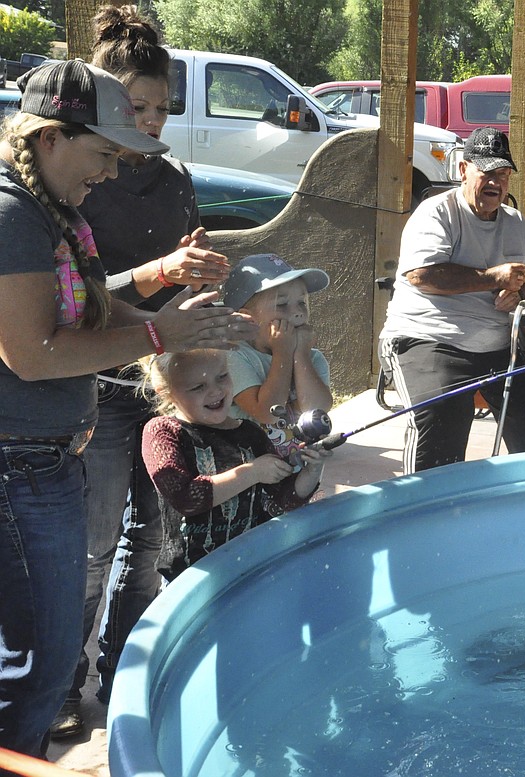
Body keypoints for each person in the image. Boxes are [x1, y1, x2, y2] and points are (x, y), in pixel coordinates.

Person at [0, 58, 253, 760]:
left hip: (39, 459)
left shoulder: (47, 210)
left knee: (39, 663)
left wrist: (162, 291)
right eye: (105, 151)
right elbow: (33, 351)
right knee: (36, 666)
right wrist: (157, 332)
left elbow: (78, 300)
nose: (111, 171)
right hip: (16, 469)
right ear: (51, 137)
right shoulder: (13, 215)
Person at [51, 5, 235, 739]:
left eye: (162, 108)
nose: (152, 122)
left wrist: (202, 280)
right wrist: (159, 274)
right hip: (100, 385)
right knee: (93, 543)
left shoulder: (173, 177)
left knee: (150, 537)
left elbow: (176, 277)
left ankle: (124, 667)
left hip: (165, 384)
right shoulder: (83, 184)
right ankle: (64, 680)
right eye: (137, 108)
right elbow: (83, 304)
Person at [378, 127, 525, 472]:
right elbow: (422, 275)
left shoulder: (517, 224)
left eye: (503, 174)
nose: (495, 182)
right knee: (441, 414)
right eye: (487, 173)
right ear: (463, 170)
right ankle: (422, 512)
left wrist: (520, 292)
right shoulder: (436, 213)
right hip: (429, 339)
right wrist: (494, 278)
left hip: (499, 346)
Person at [140, 349, 329, 581]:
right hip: (190, 576)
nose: (215, 391)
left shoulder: (250, 433)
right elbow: (186, 498)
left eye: (222, 377)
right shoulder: (163, 431)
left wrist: (311, 469)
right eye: (198, 387)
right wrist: (252, 472)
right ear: (166, 393)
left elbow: (283, 501)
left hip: (249, 566)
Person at [222, 253, 333, 461]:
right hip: (249, 466)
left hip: (296, 465)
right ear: (247, 318)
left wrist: (300, 354)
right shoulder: (234, 357)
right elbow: (267, 413)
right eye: (282, 305)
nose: (298, 313)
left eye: (302, 303)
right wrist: (282, 353)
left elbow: (316, 409)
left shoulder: (312, 358)